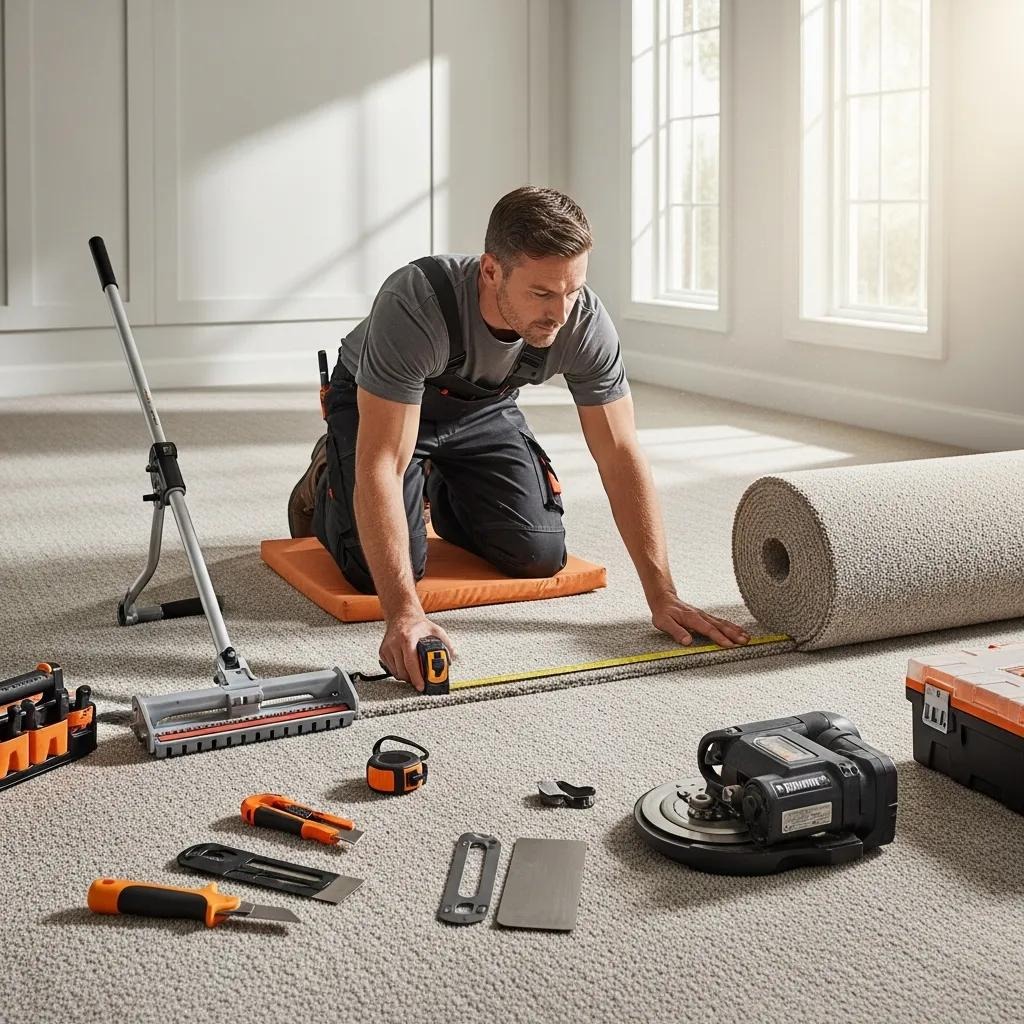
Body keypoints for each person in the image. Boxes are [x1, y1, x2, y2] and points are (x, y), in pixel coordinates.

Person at [289, 186, 749, 690]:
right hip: (377, 404)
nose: (562, 312)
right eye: (542, 293)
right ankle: (326, 474)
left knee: (538, 554)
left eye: (573, 291)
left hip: (483, 407)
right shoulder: (416, 302)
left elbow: (619, 454)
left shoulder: (584, 322)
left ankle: (437, 485)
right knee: (371, 572)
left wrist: (662, 593)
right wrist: (404, 615)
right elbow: (381, 464)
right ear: (491, 271)